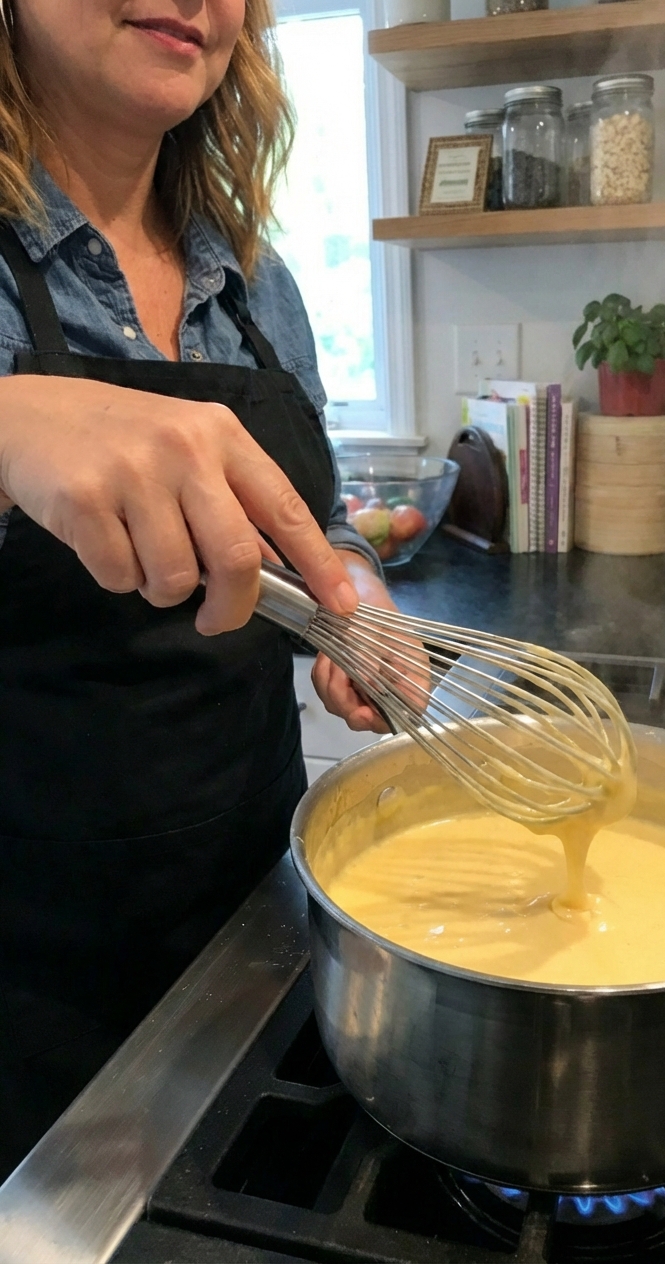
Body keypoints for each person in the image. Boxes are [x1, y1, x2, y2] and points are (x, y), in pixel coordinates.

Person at [0, 0, 396, 1178]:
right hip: (29, 962)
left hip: (255, 917)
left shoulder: (253, 274)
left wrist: (352, 592)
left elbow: (314, 525)